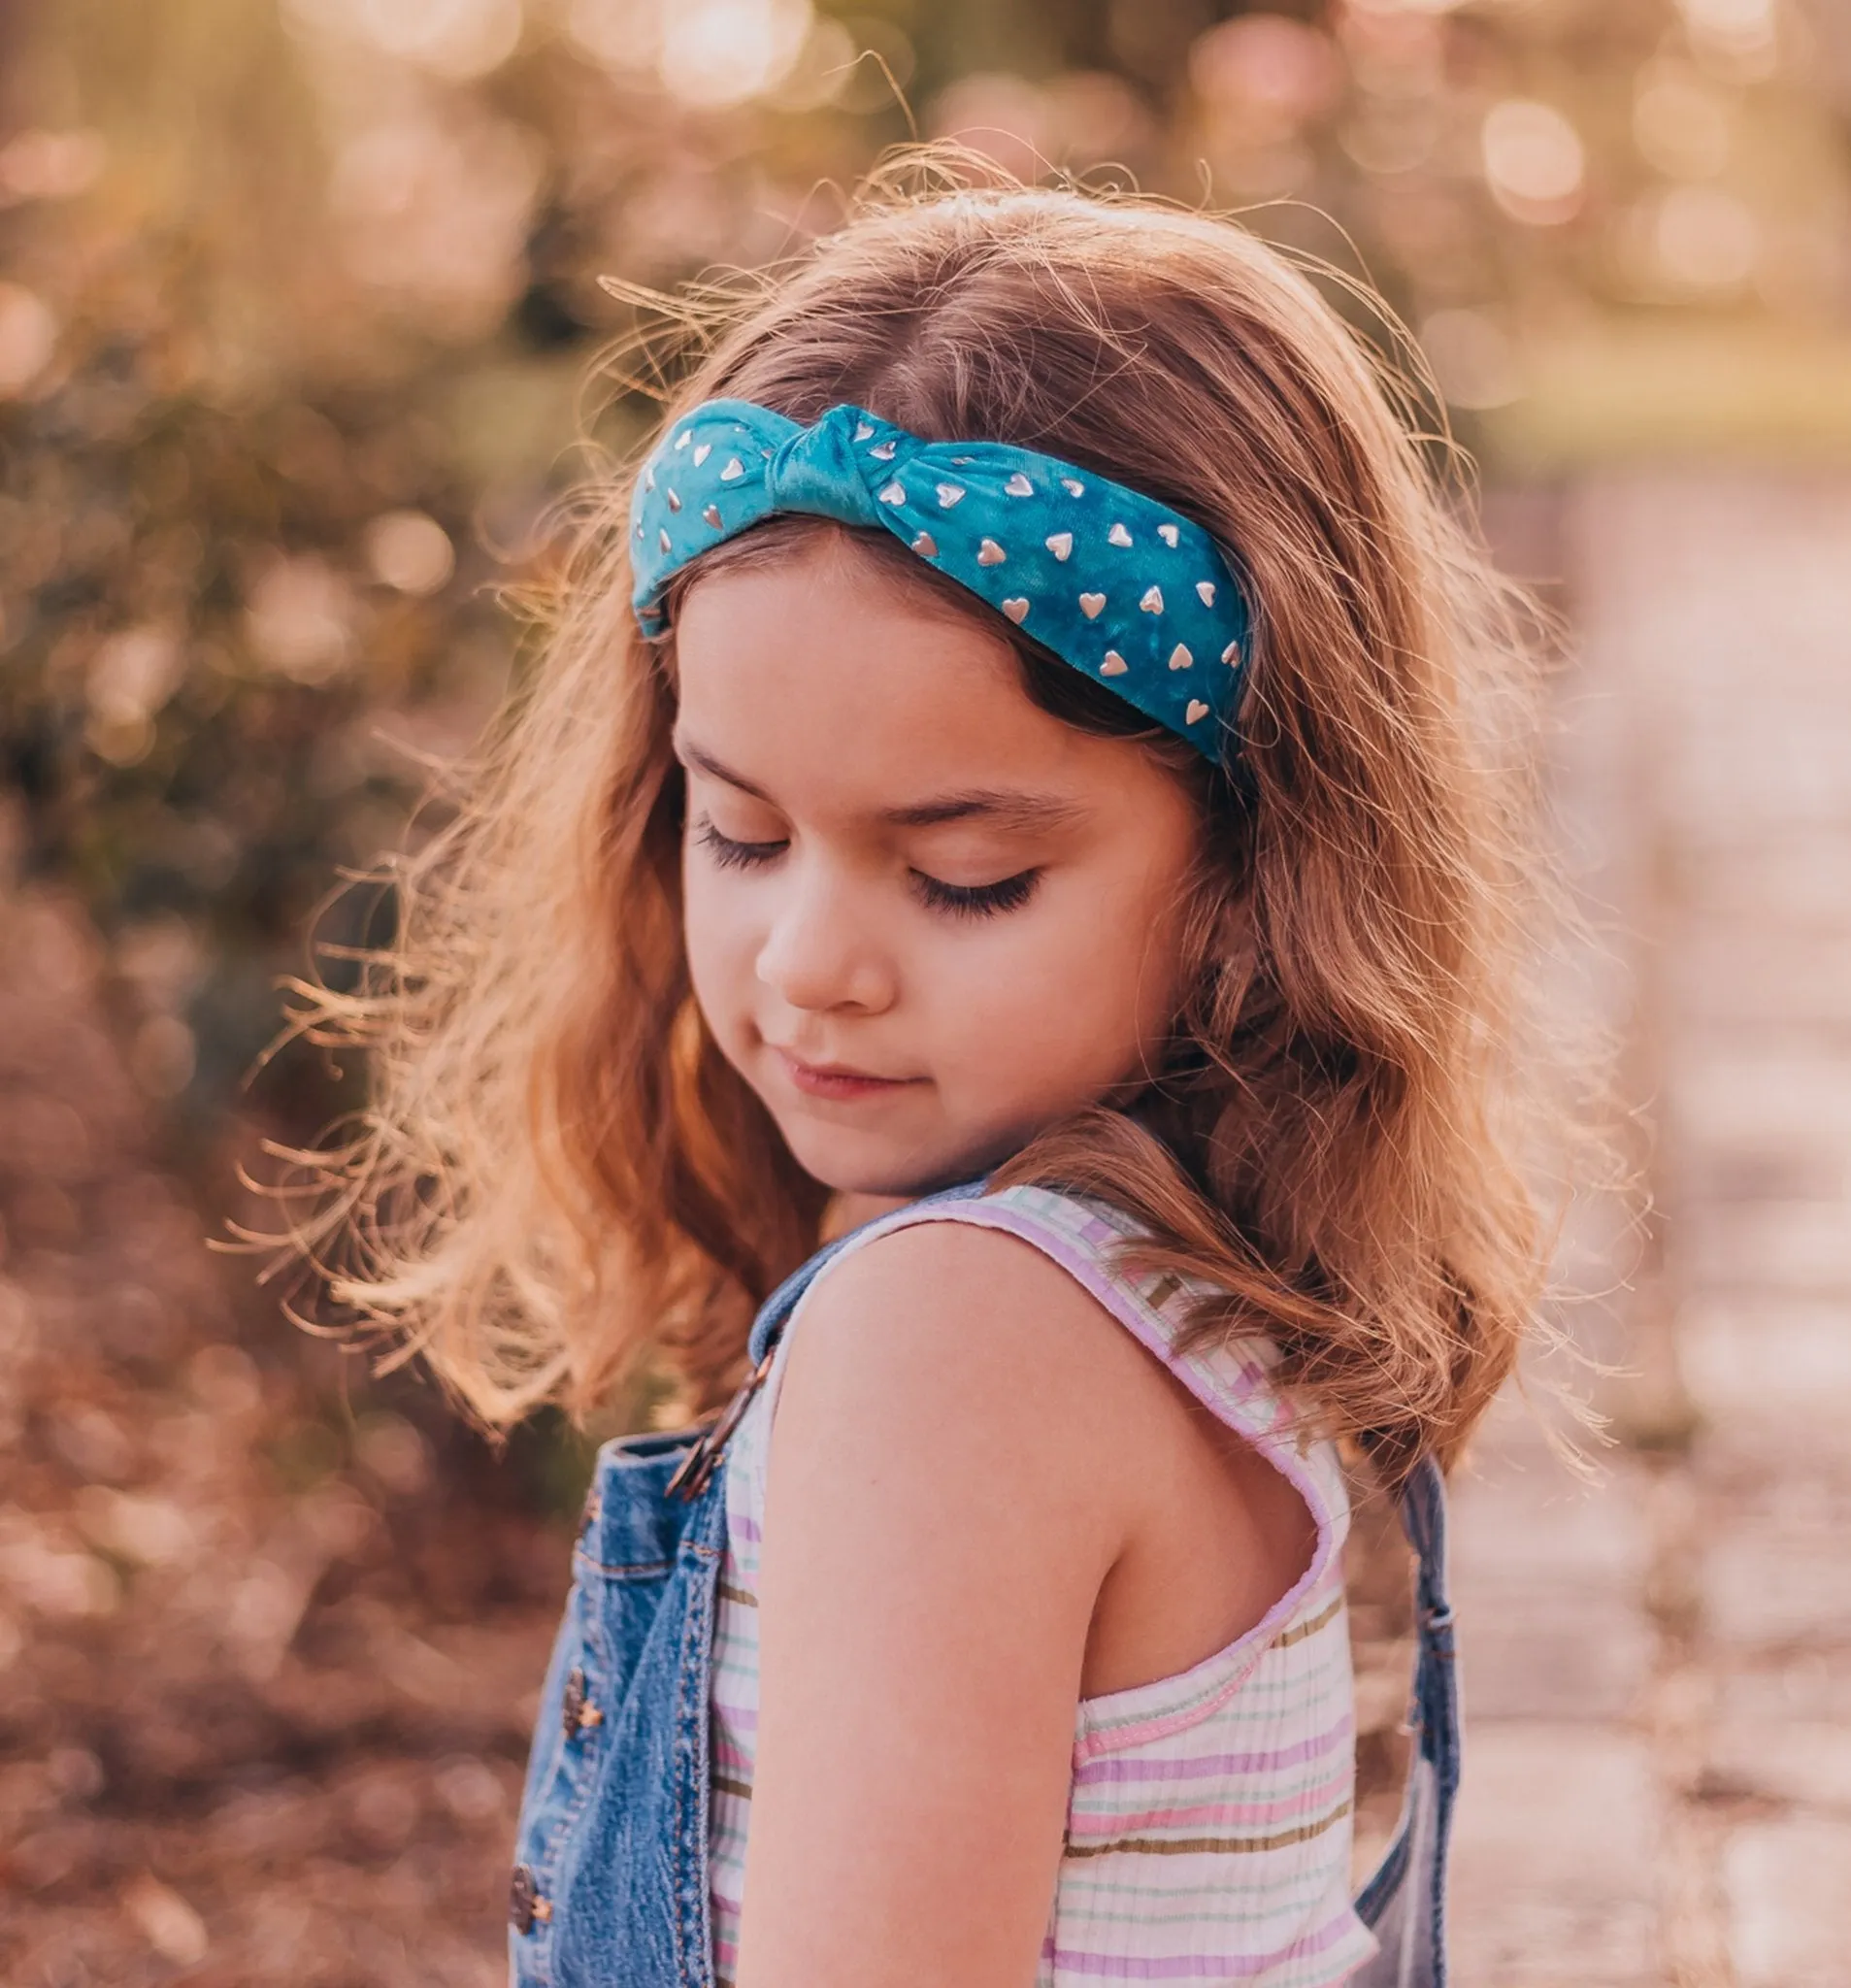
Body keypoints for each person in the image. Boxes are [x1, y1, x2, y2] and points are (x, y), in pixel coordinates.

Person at [298, 173, 1560, 1988]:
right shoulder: (1138, 1283)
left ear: (1256, 872)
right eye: (738, 833)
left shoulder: (958, 1343)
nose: (812, 958)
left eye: (966, 873)